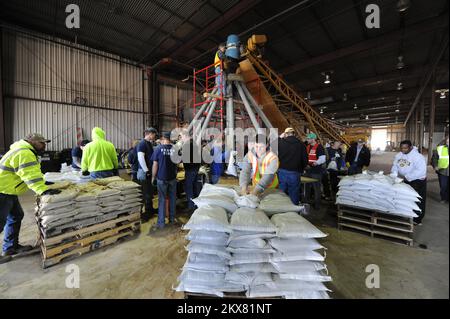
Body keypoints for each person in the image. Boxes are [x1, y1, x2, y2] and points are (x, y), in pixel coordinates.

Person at [0, 133, 61, 264]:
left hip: (8, 190)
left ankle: (10, 247)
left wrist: (43, 183)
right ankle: (9, 247)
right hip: (2, 191)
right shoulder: (25, 152)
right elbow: (29, 175)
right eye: (42, 143)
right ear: (32, 141)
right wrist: (43, 190)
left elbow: (32, 173)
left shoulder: (24, 150)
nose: (44, 145)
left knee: (16, 216)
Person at [391, 140, 427, 225]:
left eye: (405, 148)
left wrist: (406, 177)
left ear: (410, 147)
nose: (403, 150)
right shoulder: (399, 155)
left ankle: (417, 219)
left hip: (417, 180)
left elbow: (421, 171)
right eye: (402, 148)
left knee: (417, 199)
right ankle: (406, 214)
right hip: (404, 179)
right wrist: (394, 174)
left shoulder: (418, 156)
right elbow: (395, 165)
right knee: (405, 198)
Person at [150, 132, 178, 232]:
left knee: (161, 200)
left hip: (161, 179)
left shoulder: (158, 149)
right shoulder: (175, 149)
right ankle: (171, 219)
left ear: (163, 138)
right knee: (172, 199)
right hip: (172, 178)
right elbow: (177, 164)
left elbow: (155, 165)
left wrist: (153, 177)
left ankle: (161, 222)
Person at [277, 128, 308, 205]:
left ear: (286, 134)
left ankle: (280, 208)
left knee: (281, 191)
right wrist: (302, 168)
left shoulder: (280, 142)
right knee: (294, 192)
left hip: (282, 171)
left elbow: (271, 146)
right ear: (294, 134)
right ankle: (293, 210)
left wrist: (279, 137)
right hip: (295, 171)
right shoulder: (301, 144)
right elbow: (305, 159)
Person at [136, 128, 158, 222]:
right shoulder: (142, 144)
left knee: (149, 192)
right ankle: (145, 214)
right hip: (144, 172)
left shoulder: (149, 143)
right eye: (154, 134)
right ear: (150, 134)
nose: (154, 137)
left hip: (148, 171)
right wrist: (146, 171)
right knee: (145, 193)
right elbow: (141, 158)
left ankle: (150, 209)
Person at [179, 132, 202, 212]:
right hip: (195, 168)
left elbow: (183, 158)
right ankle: (196, 205)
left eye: (181, 137)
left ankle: (190, 206)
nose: (181, 139)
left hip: (190, 169)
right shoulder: (194, 144)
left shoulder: (186, 145)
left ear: (185, 136)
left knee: (189, 188)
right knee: (195, 187)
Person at [304, 133, 326, 210]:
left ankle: (317, 205)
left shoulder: (319, 147)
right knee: (307, 187)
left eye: (308, 139)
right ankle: (306, 202)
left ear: (313, 139)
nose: (307, 140)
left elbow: (322, 159)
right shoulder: (307, 147)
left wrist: (314, 163)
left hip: (316, 171)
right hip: (308, 170)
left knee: (316, 188)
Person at [431, 136, 449, 204]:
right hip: (442, 171)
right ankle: (443, 198)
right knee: (443, 186)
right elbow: (434, 158)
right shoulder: (440, 148)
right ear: (446, 140)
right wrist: (435, 165)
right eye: (448, 140)